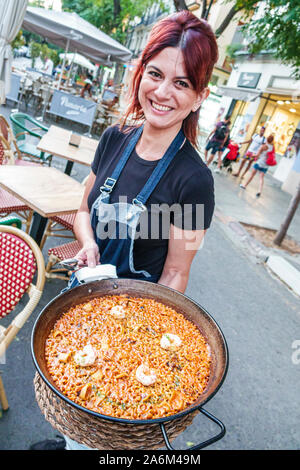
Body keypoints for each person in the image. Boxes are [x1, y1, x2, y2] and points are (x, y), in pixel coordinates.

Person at [29, 10, 217, 451]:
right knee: (67, 393)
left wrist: (145, 346)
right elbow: (81, 207)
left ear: (199, 95)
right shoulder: (116, 137)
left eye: (182, 83)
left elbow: (175, 276)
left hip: (134, 321)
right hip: (83, 293)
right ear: (140, 72)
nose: (163, 92)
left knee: (104, 426)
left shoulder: (194, 180)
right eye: (156, 74)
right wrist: (89, 242)